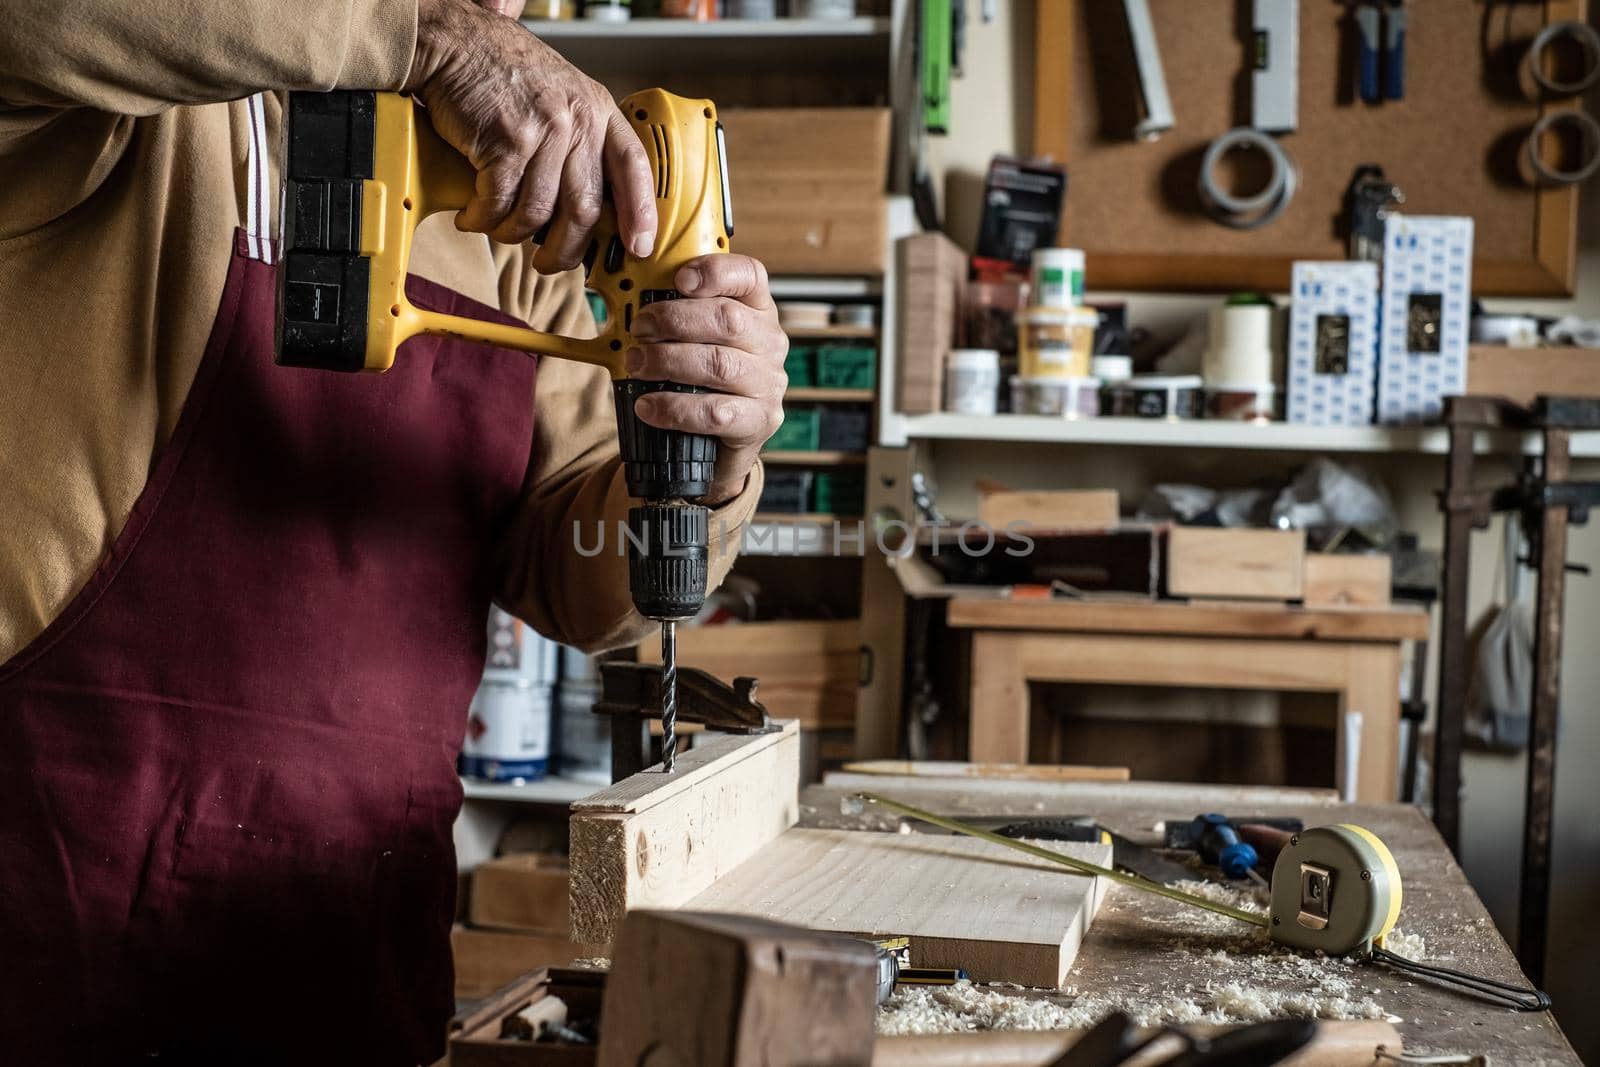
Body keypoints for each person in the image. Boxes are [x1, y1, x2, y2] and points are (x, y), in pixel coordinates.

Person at [0, 0, 787, 1061]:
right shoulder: (133, 105)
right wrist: (427, 37)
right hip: (52, 904)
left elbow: (587, 583)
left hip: (348, 939)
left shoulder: (521, 222)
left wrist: (713, 454)